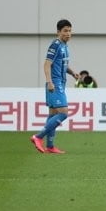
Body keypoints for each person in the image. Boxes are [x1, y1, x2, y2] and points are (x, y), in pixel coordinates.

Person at [31, 19, 79, 154]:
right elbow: (47, 64)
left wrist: (72, 72)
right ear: (58, 32)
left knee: (53, 114)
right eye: (65, 31)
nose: (68, 34)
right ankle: (38, 137)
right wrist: (50, 81)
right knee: (63, 113)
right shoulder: (55, 45)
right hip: (55, 83)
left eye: (70, 31)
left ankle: (50, 146)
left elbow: (62, 64)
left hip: (60, 82)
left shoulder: (65, 46)